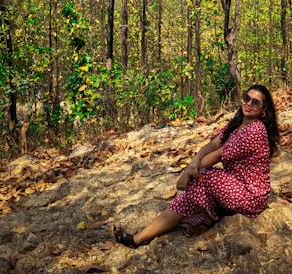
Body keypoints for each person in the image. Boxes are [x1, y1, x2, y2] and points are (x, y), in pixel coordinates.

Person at [113, 84, 279, 248]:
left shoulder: (255, 130)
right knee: (187, 198)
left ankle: (208, 219)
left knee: (204, 175)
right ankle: (137, 239)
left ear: (263, 110)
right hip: (233, 185)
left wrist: (188, 173)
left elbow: (217, 155)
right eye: (246, 98)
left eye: (255, 102)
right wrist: (195, 160)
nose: (249, 103)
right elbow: (213, 145)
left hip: (250, 196)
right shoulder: (237, 123)